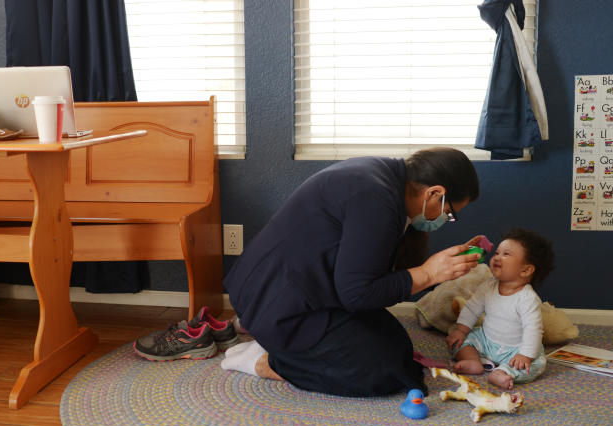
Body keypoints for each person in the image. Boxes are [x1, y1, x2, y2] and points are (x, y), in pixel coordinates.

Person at [220, 148, 484, 397]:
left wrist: (439, 271)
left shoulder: (385, 178)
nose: (445, 220)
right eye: (448, 213)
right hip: (277, 304)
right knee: (384, 371)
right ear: (434, 193)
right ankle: (265, 360)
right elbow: (358, 294)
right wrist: (428, 274)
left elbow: (369, 276)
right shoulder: (377, 200)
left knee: (397, 345)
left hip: (293, 290)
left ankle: (278, 344)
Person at [445, 227, 555, 390]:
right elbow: (472, 308)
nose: (497, 257)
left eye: (506, 254)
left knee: (537, 363)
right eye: (497, 253)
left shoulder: (527, 298)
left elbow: (533, 329)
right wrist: (461, 330)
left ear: (525, 270)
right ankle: (473, 361)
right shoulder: (488, 285)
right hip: (487, 340)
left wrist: (525, 354)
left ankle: (504, 372)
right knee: (460, 340)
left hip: (516, 349)